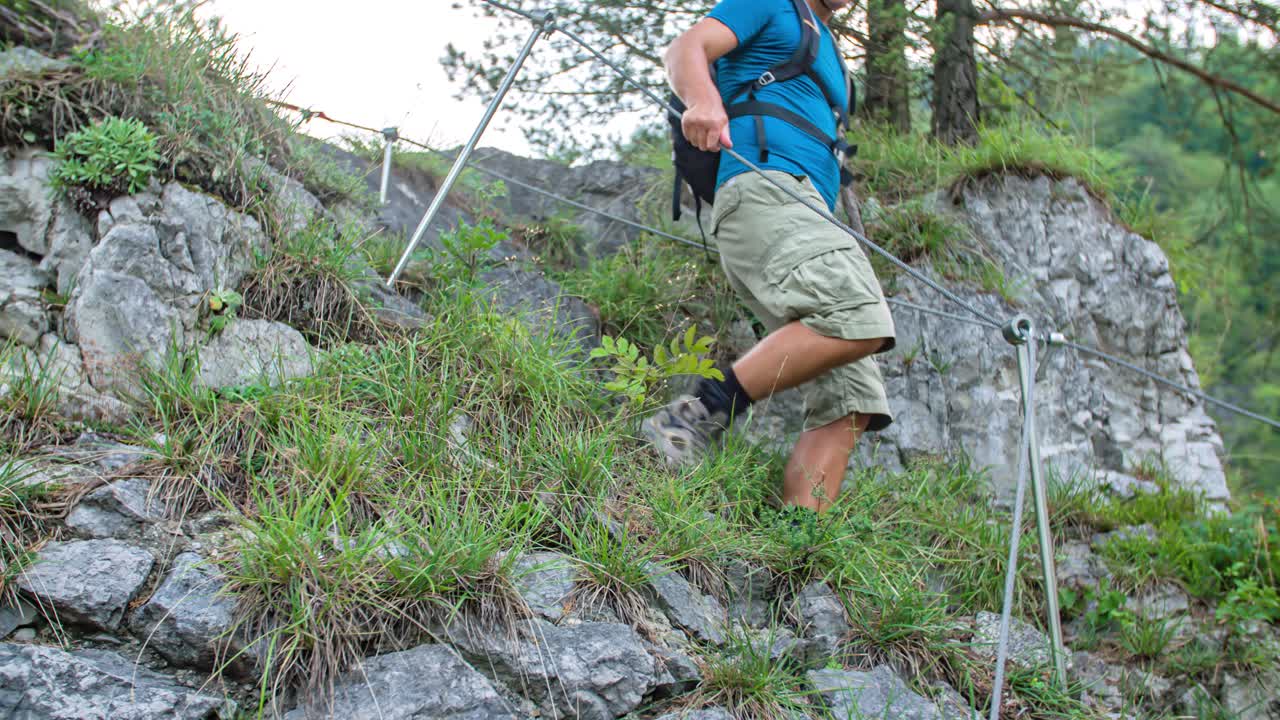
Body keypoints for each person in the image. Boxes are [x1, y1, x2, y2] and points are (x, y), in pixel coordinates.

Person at [643, 0, 896, 514]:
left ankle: (800, 546)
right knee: (853, 313)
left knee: (851, 403)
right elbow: (685, 49)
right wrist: (703, 101)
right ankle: (696, 415)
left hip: (804, 212)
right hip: (765, 189)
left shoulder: (832, 53)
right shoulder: (773, 4)